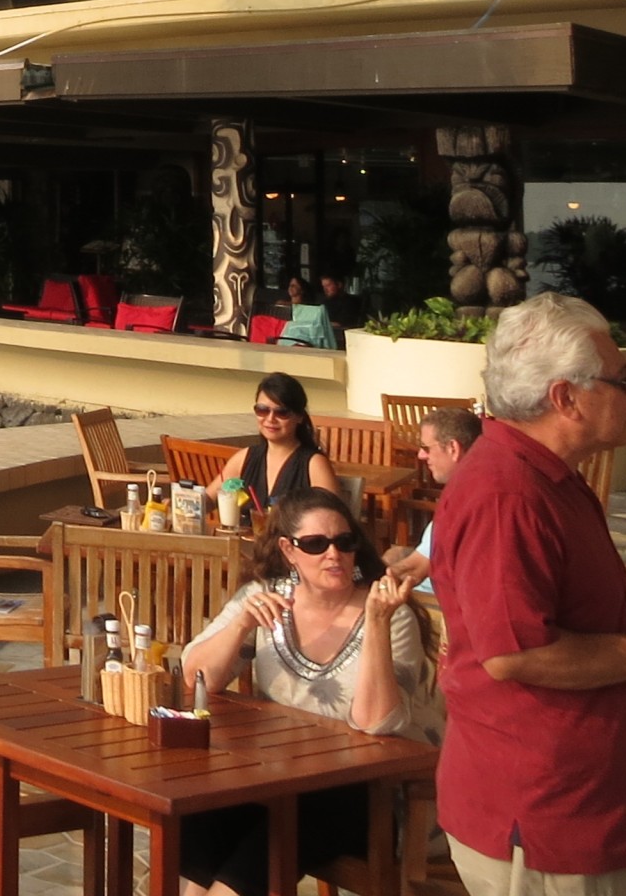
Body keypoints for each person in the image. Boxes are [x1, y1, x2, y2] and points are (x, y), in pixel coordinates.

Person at [434, 293, 626, 896]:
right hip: (542, 820)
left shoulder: (541, 477)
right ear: (565, 398)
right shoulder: (508, 494)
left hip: (565, 810)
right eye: (622, 381)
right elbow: (514, 652)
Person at [176, 488, 430, 896]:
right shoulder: (267, 597)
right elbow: (197, 678)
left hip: (360, 791)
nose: (334, 554)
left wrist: (376, 622)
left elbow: (376, 723)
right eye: (316, 544)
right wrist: (240, 626)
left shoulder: (389, 615)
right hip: (274, 777)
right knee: (203, 816)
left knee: (258, 851)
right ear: (288, 550)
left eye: (344, 542)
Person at [207, 370, 341, 510]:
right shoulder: (244, 458)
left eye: (282, 412)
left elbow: (332, 515)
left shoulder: (314, 464)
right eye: (262, 410)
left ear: (300, 417)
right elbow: (209, 498)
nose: (270, 419)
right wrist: (193, 500)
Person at [383, 406, 482, 594]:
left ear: (453, 448)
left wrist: (371, 580)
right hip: (433, 582)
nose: (420, 455)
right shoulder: (469, 488)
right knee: (393, 554)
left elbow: (417, 568)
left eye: (426, 448)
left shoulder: (466, 501)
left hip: (432, 600)